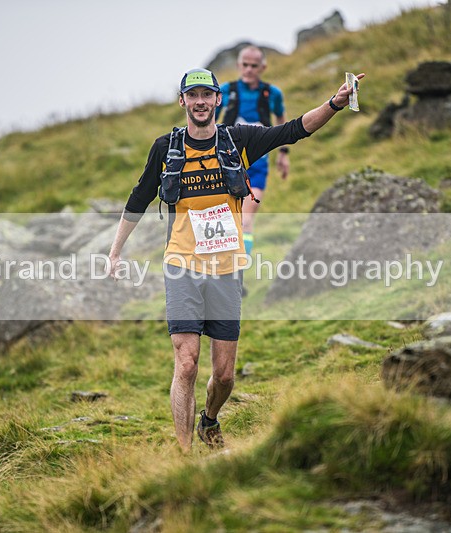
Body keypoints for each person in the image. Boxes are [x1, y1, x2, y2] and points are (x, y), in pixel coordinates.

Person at [108, 67, 365, 452]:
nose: (199, 102)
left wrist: (334, 103)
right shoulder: (166, 147)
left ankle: (208, 419)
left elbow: (295, 129)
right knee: (187, 362)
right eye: (191, 96)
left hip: (226, 269)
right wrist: (115, 251)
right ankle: (183, 456)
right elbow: (139, 197)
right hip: (182, 265)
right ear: (182, 102)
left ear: (217, 100)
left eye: (205, 95)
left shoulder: (238, 139)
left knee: (224, 376)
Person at [216, 45, 289, 265]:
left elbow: (280, 118)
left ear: (263, 67)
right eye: (244, 65)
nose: (248, 70)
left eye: (254, 66)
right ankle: (222, 263)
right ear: (238, 65)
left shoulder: (272, 94)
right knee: (225, 219)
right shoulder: (226, 91)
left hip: (258, 164)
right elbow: (209, 120)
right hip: (226, 162)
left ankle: (239, 268)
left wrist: (283, 153)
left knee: (245, 219)